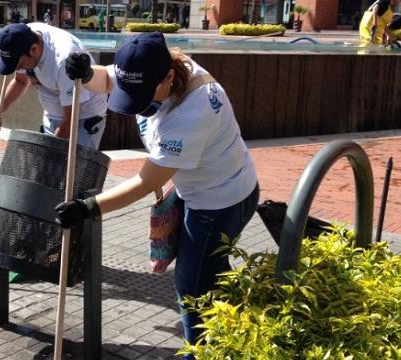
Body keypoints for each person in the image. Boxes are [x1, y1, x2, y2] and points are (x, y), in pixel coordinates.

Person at [57, 32, 259, 354]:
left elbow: (146, 182)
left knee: (191, 287)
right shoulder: (151, 70)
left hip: (220, 201)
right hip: (201, 187)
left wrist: (88, 206)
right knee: (209, 271)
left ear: (167, 78)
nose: (138, 105)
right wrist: (85, 73)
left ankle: (204, 351)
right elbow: (106, 79)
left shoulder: (193, 112)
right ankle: (243, 321)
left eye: (143, 96)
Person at [0, 23, 108, 151]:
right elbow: (20, 81)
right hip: (53, 112)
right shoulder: (20, 37)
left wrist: (50, 152)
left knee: (76, 168)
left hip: (84, 116)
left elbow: (70, 120)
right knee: (49, 167)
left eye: (20, 65)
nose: (18, 69)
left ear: (34, 49)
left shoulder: (64, 60)